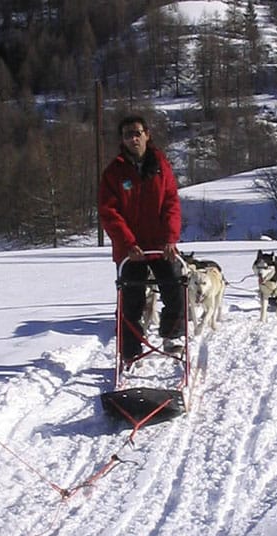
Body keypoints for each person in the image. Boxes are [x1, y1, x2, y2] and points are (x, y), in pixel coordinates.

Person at [98, 115, 185, 363]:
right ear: (122, 140)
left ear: (147, 134)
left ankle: (172, 335)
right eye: (127, 134)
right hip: (131, 249)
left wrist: (170, 238)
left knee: (175, 287)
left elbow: (171, 203)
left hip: (159, 245)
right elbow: (109, 212)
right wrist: (127, 244)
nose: (133, 138)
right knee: (131, 300)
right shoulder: (114, 173)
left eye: (137, 133)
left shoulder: (161, 166)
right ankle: (131, 349)